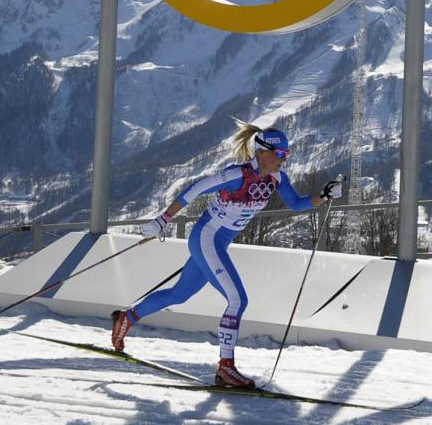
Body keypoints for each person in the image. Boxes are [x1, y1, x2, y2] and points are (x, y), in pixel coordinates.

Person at [110, 121, 338, 389]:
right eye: (279, 154)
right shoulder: (236, 175)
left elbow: (297, 204)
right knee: (237, 300)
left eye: (286, 154)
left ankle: (126, 318)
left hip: (217, 244)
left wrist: (324, 195)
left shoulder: (278, 178)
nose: (284, 159)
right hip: (206, 239)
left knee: (179, 294)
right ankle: (226, 367)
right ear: (262, 152)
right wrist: (163, 220)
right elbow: (193, 190)